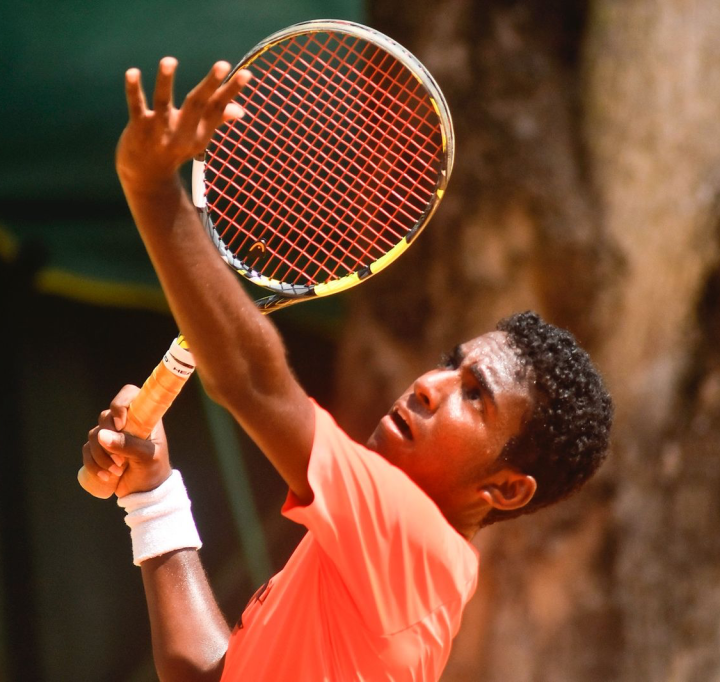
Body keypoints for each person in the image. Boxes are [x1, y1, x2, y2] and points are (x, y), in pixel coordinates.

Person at [80, 57, 614, 682]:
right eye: (450, 365)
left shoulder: (418, 549)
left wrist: (150, 189)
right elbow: (212, 674)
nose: (429, 387)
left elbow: (251, 380)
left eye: (474, 395)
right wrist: (152, 495)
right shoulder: (363, 556)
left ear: (505, 489)